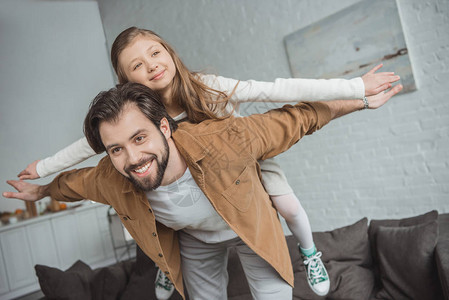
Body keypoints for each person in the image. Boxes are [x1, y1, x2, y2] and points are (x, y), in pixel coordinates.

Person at [16, 27, 400, 297]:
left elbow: (287, 102)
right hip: (196, 230)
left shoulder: (210, 96)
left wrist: (356, 92)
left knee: (285, 202)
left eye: (154, 53)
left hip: (241, 171)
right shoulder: (122, 144)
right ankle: (170, 270)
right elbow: (84, 156)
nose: (151, 66)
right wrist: (45, 173)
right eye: (137, 66)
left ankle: (309, 251)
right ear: (126, 83)